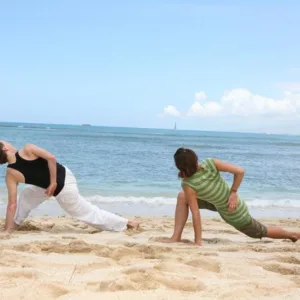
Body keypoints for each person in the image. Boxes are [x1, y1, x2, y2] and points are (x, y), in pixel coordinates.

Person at [0, 140, 139, 236]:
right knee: (27, 195)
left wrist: (53, 182)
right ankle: (13, 224)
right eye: (7, 142)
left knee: (84, 212)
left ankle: (127, 223)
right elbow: (12, 204)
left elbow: (51, 158)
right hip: (51, 185)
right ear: (5, 148)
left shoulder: (11, 173)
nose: (9, 142)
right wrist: (7, 229)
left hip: (64, 183)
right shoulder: (26, 150)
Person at [166, 147, 300, 246]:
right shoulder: (209, 163)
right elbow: (239, 171)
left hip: (233, 210)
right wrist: (233, 193)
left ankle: (292, 235)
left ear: (179, 167)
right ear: (195, 159)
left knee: (260, 231)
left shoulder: (189, 182)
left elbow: (195, 214)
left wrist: (197, 242)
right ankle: (176, 236)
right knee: (182, 197)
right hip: (218, 203)